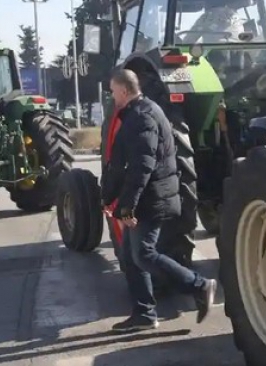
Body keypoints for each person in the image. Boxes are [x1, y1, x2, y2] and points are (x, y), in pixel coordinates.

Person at [101, 66, 216, 333]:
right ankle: (144, 313)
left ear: (124, 90)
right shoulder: (137, 113)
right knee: (131, 257)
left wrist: (127, 205)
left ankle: (199, 285)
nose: (112, 96)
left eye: (113, 91)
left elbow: (142, 166)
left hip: (151, 199)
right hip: (147, 197)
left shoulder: (143, 117)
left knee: (144, 253)